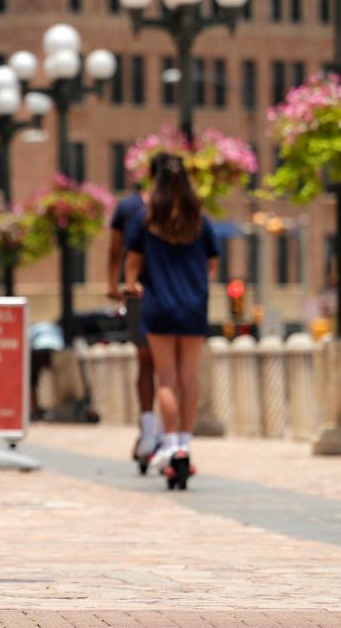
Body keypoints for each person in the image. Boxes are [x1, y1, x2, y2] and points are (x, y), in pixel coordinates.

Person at [124, 153, 219, 490]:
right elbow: (212, 264)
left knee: (166, 379)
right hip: (194, 305)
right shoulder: (199, 220)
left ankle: (169, 444)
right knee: (188, 378)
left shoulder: (145, 219)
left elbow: (132, 264)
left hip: (160, 304)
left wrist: (133, 284)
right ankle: (184, 446)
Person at [108, 157, 163, 473]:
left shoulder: (130, 207)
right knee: (171, 368)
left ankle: (148, 432)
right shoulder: (180, 209)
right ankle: (172, 437)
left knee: (146, 363)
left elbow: (118, 251)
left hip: (139, 292)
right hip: (173, 296)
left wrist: (114, 284)